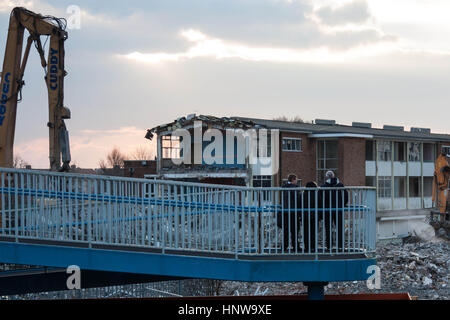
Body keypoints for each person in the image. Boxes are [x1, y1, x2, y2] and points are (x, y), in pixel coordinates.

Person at [320, 171, 348, 251]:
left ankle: (329, 246)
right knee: (339, 227)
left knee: (328, 228)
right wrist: (342, 204)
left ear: (326, 177)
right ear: (334, 176)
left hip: (327, 210)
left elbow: (320, 198)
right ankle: (341, 246)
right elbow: (346, 196)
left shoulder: (323, 186)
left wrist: (323, 207)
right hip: (338, 209)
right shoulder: (340, 185)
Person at [279, 174, 300, 252]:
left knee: (286, 230)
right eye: (296, 179)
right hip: (293, 212)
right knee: (295, 230)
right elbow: (297, 199)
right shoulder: (295, 188)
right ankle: (296, 247)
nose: (297, 181)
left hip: (285, 211)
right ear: (293, 180)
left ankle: (284, 247)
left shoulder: (284, 187)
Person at [301, 181, 320, 253]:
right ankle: (314, 247)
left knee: (306, 232)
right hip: (315, 216)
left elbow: (300, 204)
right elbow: (320, 204)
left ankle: (307, 247)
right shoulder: (316, 194)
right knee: (314, 232)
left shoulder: (303, 194)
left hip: (305, 216)